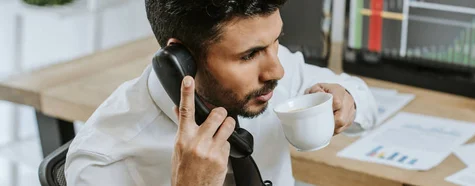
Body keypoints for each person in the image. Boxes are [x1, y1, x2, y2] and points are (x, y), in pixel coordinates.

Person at [64, 0, 378, 185]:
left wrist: (347, 100)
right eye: (249, 55)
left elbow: (364, 101)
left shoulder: (270, 77)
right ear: (182, 59)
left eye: (275, 41)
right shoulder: (102, 161)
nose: (277, 70)